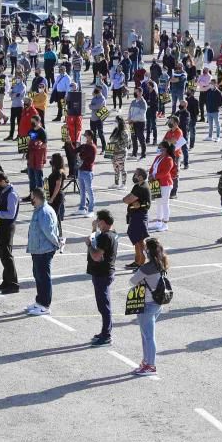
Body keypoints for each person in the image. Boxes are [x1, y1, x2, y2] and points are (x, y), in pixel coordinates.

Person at [129, 237, 169, 376]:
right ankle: (146, 361)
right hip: (157, 303)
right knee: (146, 335)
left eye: (145, 248)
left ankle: (150, 365)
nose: (143, 250)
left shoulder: (147, 267)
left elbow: (132, 281)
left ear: (149, 251)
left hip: (147, 304)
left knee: (148, 336)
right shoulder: (162, 262)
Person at [25, 187, 60, 314]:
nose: (31, 199)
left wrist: (57, 244)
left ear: (37, 197)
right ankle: (39, 301)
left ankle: (45, 305)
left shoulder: (44, 212)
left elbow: (49, 232)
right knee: (38, 275)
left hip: (44, 250)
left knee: (44, 277)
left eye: (32, 197)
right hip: (37, 249)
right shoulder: (39, 210)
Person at [86, 209, 118, 346]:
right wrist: (94, 228)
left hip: (102, 274)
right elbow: (96, 238)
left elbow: (96, 256)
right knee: (104, 305)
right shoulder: (111, 234)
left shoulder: (106, 237)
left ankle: (107, 335)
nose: (97, 223)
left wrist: (88, 245)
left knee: (104, 306)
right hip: (105, 273)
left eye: (99, 221)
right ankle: (105, 331)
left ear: (104, 222)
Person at [0, 172, 20, 294]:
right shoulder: (4, 191)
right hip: (1, 226)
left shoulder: (11, 194)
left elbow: (10, 214)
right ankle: (6, 281)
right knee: (3, 254)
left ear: (2, 181)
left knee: (7, 255)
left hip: (7, 227)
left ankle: (13, 284)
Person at [124, 168, 152, 269]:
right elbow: (126, 199)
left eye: (135, 174)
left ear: (140, 176)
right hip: (135, 216)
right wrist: (130, 200)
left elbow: (128, 200)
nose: (134, 176)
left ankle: (142, 263)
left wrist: (129, 200)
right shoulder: (137, 186)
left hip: (140, 217)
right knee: (136, 240)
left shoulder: (142, 188)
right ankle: (137, 261)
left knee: (140, 241)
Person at [147, 142, 177, 232]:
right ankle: (158, 222)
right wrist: (150, 174)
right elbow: (152, 168)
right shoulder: (158, 157)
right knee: (158, 203)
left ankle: (165, 224)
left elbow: (165, 172)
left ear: (166, 149)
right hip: (156, 183)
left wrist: (154, 176)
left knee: (165, 203)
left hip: (165, 184)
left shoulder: (169, 159)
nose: (159, 149)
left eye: (161, 148)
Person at [77, 130, 98, 218]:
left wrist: (80, 151)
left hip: (87, 171)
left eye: (86, 135)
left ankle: (91, 210)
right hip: (81, 170)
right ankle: (82, 208)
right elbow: (74, 151)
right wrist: (70, 143)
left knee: (89, 191)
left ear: (90, 136)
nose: (84, 137)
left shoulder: (92, 147)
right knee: (82, 191)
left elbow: (82, 156)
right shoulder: (85, 146)